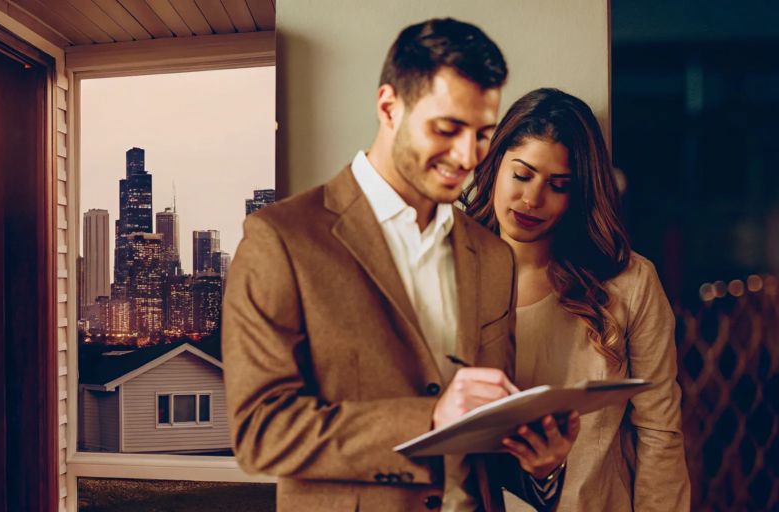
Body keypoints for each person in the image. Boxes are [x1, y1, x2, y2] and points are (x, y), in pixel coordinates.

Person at [222, 19, 579, 512]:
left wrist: (541, 465)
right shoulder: (280, 239)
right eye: (448, 128)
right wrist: (428, 418)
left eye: (481, 135)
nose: (467, 156)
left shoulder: (494, 257)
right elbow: (261, 432)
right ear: (389, 106)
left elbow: (484, 436)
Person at [461, 88, 691, 511]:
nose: (532, 199)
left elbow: (660, 431)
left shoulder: (630, 283)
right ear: (493, 166)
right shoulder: (442, 267)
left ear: (580, 193)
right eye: (523, 175)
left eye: (558, 185)